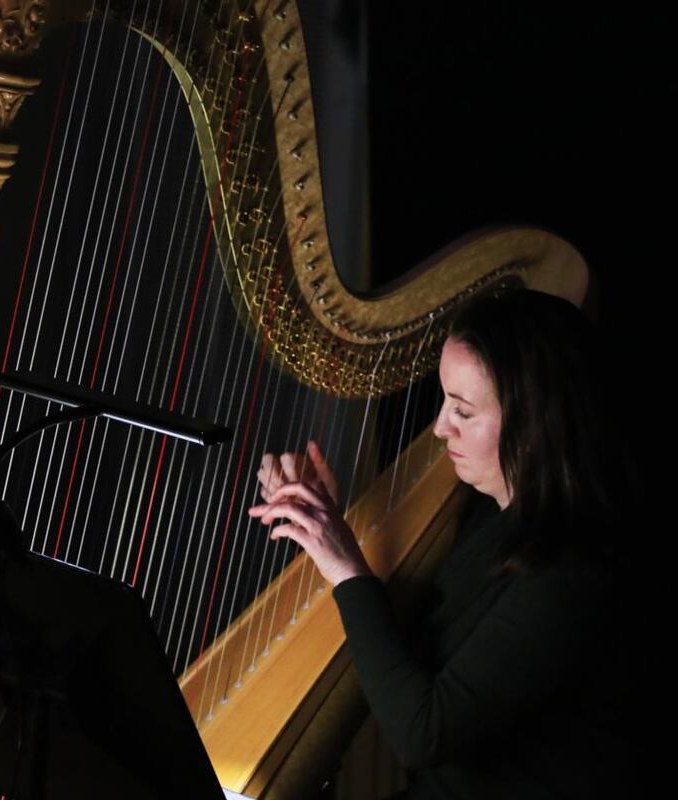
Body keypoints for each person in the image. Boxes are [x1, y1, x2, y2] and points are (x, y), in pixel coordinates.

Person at [249, 288, 642, 799]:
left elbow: (423, 733)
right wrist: (323, 520)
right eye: (444, 401)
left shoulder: (574, 570)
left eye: (463, 411)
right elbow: (415, 632)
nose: (439, 428)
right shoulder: (489, 509)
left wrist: (345, 567)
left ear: (535, 423)